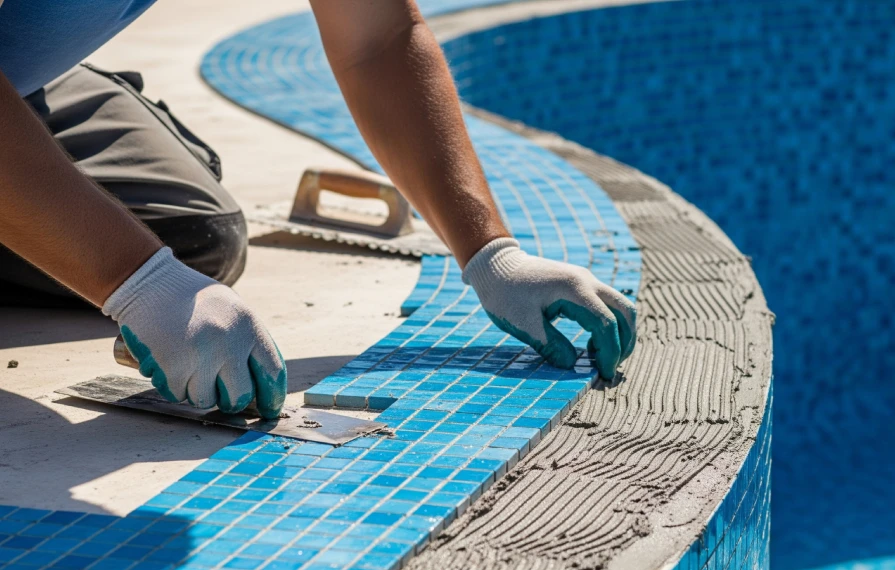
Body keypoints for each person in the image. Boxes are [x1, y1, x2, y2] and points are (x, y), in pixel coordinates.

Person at [0, 0, 637, 419]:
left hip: (28, 78)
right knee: (131, 259)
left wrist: (491, 253)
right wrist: (137, 281)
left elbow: (377, 39)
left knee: (195, 235)